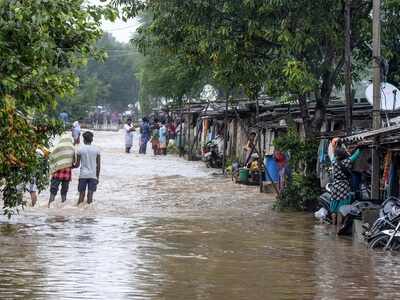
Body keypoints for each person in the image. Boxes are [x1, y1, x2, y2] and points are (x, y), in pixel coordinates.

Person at [330, 145, 362, 231]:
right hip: (343, 186)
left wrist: (336, 145)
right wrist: (360, 148)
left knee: (333, 209)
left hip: (335, 185)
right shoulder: (347, 162)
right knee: (341, 208)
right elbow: (355, 156)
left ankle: (333, 227)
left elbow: (334, 155)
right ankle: (339, 228)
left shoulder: (333, 162)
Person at [48, 133, 77, 208]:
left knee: (53, 190)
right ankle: (63, 207)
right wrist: (68, 165)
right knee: (64, 192)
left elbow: (51, 157)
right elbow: (74, 161)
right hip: (67, 174)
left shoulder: (58, 147)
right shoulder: (72, 148)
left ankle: (49, 206)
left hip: (57, 173)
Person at [75, 131, 101, 205]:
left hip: (83, 175)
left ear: (83, 139)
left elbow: (77, 165)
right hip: (93, 175)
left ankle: (78, 213)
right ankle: (89, 214)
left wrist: (70, 166)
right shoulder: (97, 150)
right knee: (90, 196)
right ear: (92, 140)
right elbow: (98, 165)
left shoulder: (80, 150)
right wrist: (97, 177)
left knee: (81, 196)